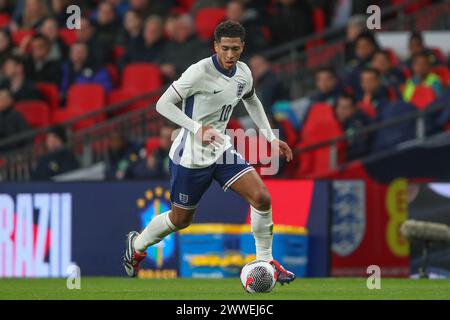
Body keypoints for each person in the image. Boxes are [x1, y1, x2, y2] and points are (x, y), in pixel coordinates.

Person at [123, 20, 295, 284]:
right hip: (190, 157)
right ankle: (137, 245)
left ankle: (265, 261)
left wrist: (270, 136)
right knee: (181, 220)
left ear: (242, 48)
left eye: (235, 49)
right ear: (215, 46)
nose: (229, 55)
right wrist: (196, 128)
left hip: (221, 150)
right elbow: (162, 104)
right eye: (224, 48)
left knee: (261, 198)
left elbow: (251, 99)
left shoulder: (244, 72)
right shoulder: (198, 72)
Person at [335, 92, 371, 161]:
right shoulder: (335, 122)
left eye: (345, 108)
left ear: (353, 109)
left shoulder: (358, 122)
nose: (341, 110)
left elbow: (361, 148)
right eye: (339, 106)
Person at [0, 88, 30, 152]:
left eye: (2, 98)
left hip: (13, 150)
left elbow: (26, 136)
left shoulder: (16, 116)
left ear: (10, 100)